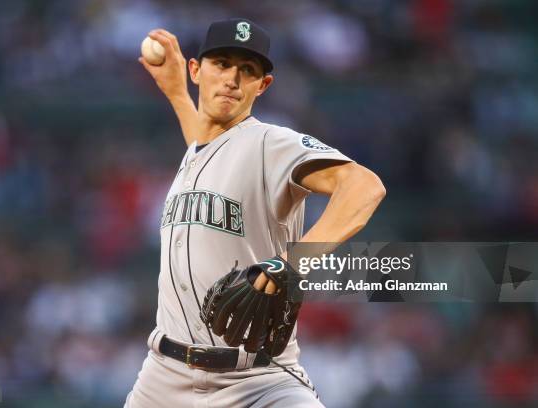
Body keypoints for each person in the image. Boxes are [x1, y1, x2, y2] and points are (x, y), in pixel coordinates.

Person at [126, 18, 385, 407]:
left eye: (248, 70)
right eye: (222, 64)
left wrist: (294, 263)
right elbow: (205, 147)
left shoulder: (270, 143)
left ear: (262, 86)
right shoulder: (198, 152)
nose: (232, 79)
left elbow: (364, 187)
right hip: (164, 379)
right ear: (197, 70)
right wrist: (178, 94)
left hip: (258, 381)